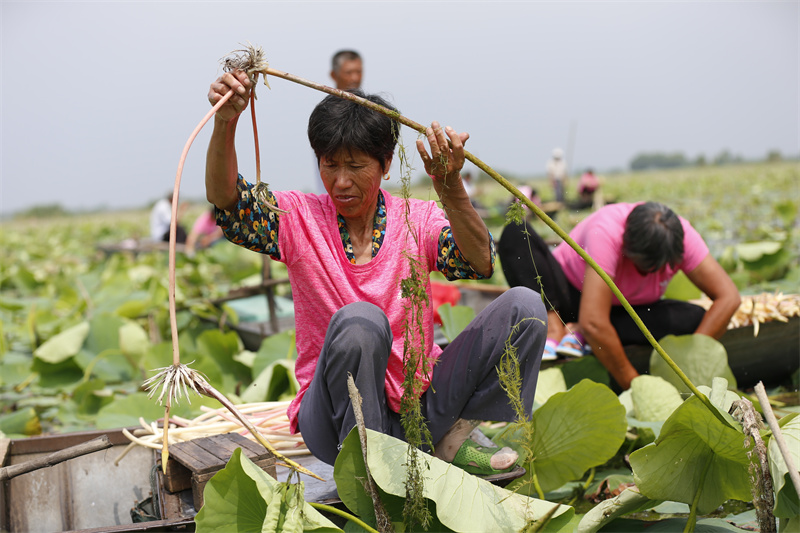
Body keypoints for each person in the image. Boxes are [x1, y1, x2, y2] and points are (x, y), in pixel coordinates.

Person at [205, 70, 547, 474]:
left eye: (355, 166)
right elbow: (227, 199)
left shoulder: (416, 218)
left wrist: (450, 184)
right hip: (334, 422)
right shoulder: (298, 218)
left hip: (418, 408)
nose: (341, 181)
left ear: (386, 164)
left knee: (524, 306)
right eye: (329, 166)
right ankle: (368, 468)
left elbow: (479, 260)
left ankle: (451, 440)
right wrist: (225, 122)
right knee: (361, 321)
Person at [498, 201, 740, 389]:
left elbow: (729, 298)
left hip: (619, 314)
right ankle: (555, 328)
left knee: (695, 318)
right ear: (626, 247)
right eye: (643, 267)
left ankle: (582, 332)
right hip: (566, 297)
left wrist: (694, 362)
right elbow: (594, 319)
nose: (649, 275)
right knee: (515, 232)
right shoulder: (607, 231)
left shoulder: (682, 236)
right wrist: (635, 385)